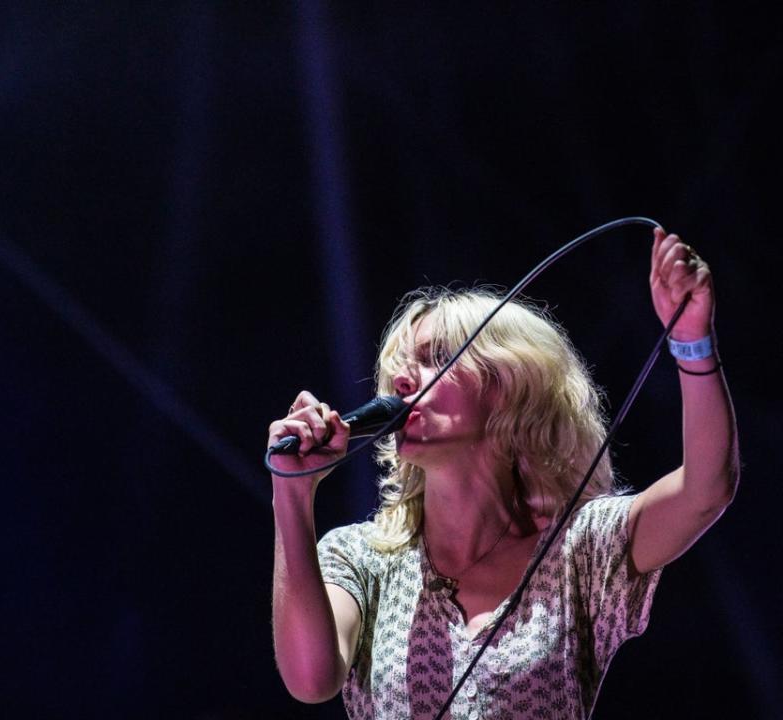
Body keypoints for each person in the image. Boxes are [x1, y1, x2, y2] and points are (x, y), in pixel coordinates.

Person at [268, 228, 739, 719]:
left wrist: (691, 344)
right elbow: (311, 680)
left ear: (506, 386)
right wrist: (292, 494)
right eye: (399, 370)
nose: (404, 378)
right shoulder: (361, 559)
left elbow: (706, 489)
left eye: (433, 359)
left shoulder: (581, 548)